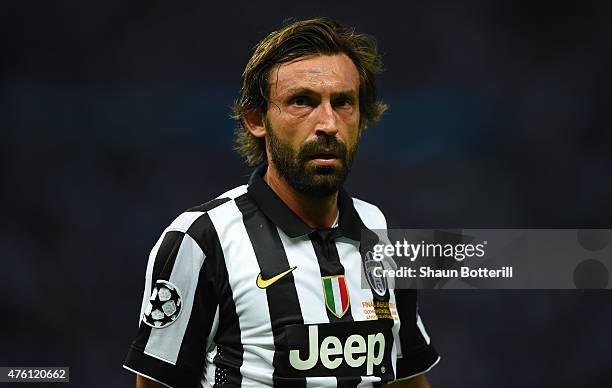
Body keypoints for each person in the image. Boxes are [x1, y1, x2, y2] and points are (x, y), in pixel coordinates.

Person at [124, 17, 439, 388]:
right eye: (302, 102)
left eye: (343, 103)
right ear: (257, 119)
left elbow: (406, 379)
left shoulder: (381, 233)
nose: (328, 124)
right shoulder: (201, 240)